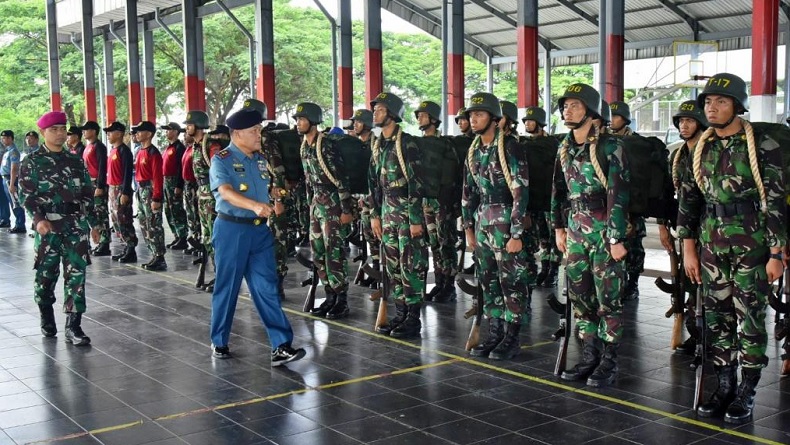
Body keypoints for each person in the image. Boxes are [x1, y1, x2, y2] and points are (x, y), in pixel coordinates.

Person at [678, 73, 787, 424]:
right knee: (717, 316)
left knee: (750, 316)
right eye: (708, 101)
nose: (712, 107)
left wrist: (776, 253)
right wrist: (689, 248)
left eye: (721, 101)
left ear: (738, 106)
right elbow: (690, 200)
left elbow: (775, 200)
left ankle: (748, 388)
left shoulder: (761, 144)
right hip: (711, 243)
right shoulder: (702, 146)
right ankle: (724, 383)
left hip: (752, 242)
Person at [209, 107, 306, 365]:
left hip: (260, 231)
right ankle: (219, 341)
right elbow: (226, 192)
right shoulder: (223, 159)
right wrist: (253, 205)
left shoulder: (260, 160)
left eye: (259, 130)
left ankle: (281, 345)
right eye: (253, 131)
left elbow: (265, 188)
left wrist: (274, 197)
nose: (258, 135)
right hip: (232, 230)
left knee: (267, 287)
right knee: (227, 287)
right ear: (237, 133)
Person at [551, 83, 629, 387]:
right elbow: (557, 190)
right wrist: (558, 228)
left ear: (591, 110)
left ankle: (609, 361)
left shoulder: (611, 146)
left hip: (603, 230)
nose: (567, 110)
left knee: (607, 298)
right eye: (565, 106)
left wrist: (616, 237)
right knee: (580, 296)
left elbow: (619, 194)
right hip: (574, 230)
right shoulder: (564, 146)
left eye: (575, 105)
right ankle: (589, 355)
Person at [18, 111, 98, 345]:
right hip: (48, 229)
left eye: (63, 129)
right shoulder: (31, 162)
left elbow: (87, 193)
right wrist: (38, 219)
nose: (60, 133)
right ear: (43, 132)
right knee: (45, 278)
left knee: (77, 276)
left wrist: (94, 223)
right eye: (54, 129)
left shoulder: (75, 160)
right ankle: (46, 313)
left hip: (75, 227)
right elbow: (27, 196)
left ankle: (74, 326)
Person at [462, 93, 531, 360]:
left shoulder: (510, 147)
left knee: (511, 281)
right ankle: (494, 332)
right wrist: (468, 227)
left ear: (494, 119)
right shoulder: (473, 150)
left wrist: (516, 233)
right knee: (488, 281)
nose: (473, 119)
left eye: (479, 114)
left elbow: (520, 191)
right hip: (483, 220)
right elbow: (468, 192)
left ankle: (511, 337)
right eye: (471, 115)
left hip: (505, 219)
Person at [368, 92, 428, 338]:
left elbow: (417, 182)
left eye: (380, 109)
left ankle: (413, 319)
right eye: (375, 109)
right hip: (387, 210)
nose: (375, 113)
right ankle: (401, 313)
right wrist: (375, 214)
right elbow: (372, 182)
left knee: (410, 265)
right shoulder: (377, 144)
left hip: (405, 211)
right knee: (393, 266)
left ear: (392, 114)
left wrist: (415, 219)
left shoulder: (407, 143)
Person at [294, 102, 353, 319]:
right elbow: (308, 180)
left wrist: (346, 209)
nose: (298, 123)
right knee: (318, 251)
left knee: (334, 251)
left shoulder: (326, 144)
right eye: (297, 119)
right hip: (316, 204)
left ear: (313, 120)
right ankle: (329, 296)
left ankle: (341, 299)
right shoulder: (305, 146)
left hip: (332, 203)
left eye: (302, 119)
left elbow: (341, 178)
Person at [661, 100, 708, 354]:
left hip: (710, 226)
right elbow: (667, 194)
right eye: (680, 121)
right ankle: (696, 333)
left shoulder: (710, 151)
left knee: (709, 283)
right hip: (685, 226)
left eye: (689, 120)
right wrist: (663, 226)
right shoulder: (678, 155)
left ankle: (711, 336)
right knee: (688, 281)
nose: (684, 124)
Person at [415, 100, 458, 303]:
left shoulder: (445, 144)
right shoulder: (417, 143)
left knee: (446, 243)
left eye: (422, 115)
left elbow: (450, 176)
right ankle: (439, 282)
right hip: (426, 202)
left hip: (442, 202)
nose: (419, 118)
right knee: (433, 244)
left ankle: (449, 286)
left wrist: (447, 202)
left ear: (433, 119)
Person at [349, 108, 380, 290]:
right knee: (368, 235)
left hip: (376, 199)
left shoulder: (376, 144)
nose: (355, 125)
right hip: (364, 197)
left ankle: (383, 274)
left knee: (379, 236)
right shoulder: (357, 145)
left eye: (358, 122)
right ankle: (376, 271)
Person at [188, 111, 218, 291]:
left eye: (189, 124)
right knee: (207, 238)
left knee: (216, 238)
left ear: (198, 125)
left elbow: (218, 170)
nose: (187, 127)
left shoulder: (210, 146)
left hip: (212, 197)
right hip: (202, 195)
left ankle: (221, 275)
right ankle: (216, 273)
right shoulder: (197, 146)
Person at [131, 121, 167, 270]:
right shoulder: (140, 151)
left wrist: (157, 198)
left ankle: (160, 256)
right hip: (141, 190)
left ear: (149, 134)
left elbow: (158, 177)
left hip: (150, 191)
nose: (137, 134)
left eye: (140, 131)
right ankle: (154, 253)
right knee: (144, 224)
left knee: (154, 224)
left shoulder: (154, 153)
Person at [105, 122, 137, 263]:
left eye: (111, 132)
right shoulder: (112, 150)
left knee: (124, 219)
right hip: (112, 188)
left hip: (120, 189)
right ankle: (125, 246)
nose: (108, 135)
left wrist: (125, 192)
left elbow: (127, 173)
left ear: (119, 133)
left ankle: (131, 248)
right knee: (116, 220)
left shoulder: (124, 151)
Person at [81, 121, 111, 256]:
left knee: (101, 213)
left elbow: (102, 168)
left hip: (96, 183)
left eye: (86, 130)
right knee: (93, 213)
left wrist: (100, 185)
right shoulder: (88, 147)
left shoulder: (99, 147)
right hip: (89, 183)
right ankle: (99, 241)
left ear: (93, 131)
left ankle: (105, 243)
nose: (84, 132)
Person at [159, 122, 189, 250]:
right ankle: (176, 235)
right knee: (169, 210)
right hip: (166, 181)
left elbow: (180, 168)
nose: (167, 132)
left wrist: (179, 185)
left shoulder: (179, 148)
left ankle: (182, 236)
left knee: (176, 210)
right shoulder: (168, 147)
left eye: (169, 130)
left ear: (176, 132)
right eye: (166, 131)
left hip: (174, 181)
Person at [1, 130, 26, 234]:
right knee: (11, 203)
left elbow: (14, 168)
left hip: (10, 180)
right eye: (2, 138)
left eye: (6, 138)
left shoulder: (14, 151)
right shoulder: (7, 151)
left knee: (15, 203)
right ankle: (17, 223)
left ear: (11, 138)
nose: (4, 140)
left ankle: (20, 225)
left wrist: (12, 184)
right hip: (5, 178)